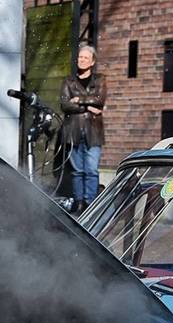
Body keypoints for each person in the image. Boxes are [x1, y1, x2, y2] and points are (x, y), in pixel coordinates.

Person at [60, 43, 105, 213]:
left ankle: (90, 203)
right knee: (77, 171)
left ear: (92, 61)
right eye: (80, 57)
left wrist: (78, 100)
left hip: (93, 131)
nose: (82, 60)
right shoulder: (68, 81)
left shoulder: (100, 80)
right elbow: (64, 105)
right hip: (73, 131)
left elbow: (100, 100)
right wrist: (88, 105)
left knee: (91, 170)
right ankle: (79, 202)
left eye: (86, 58)